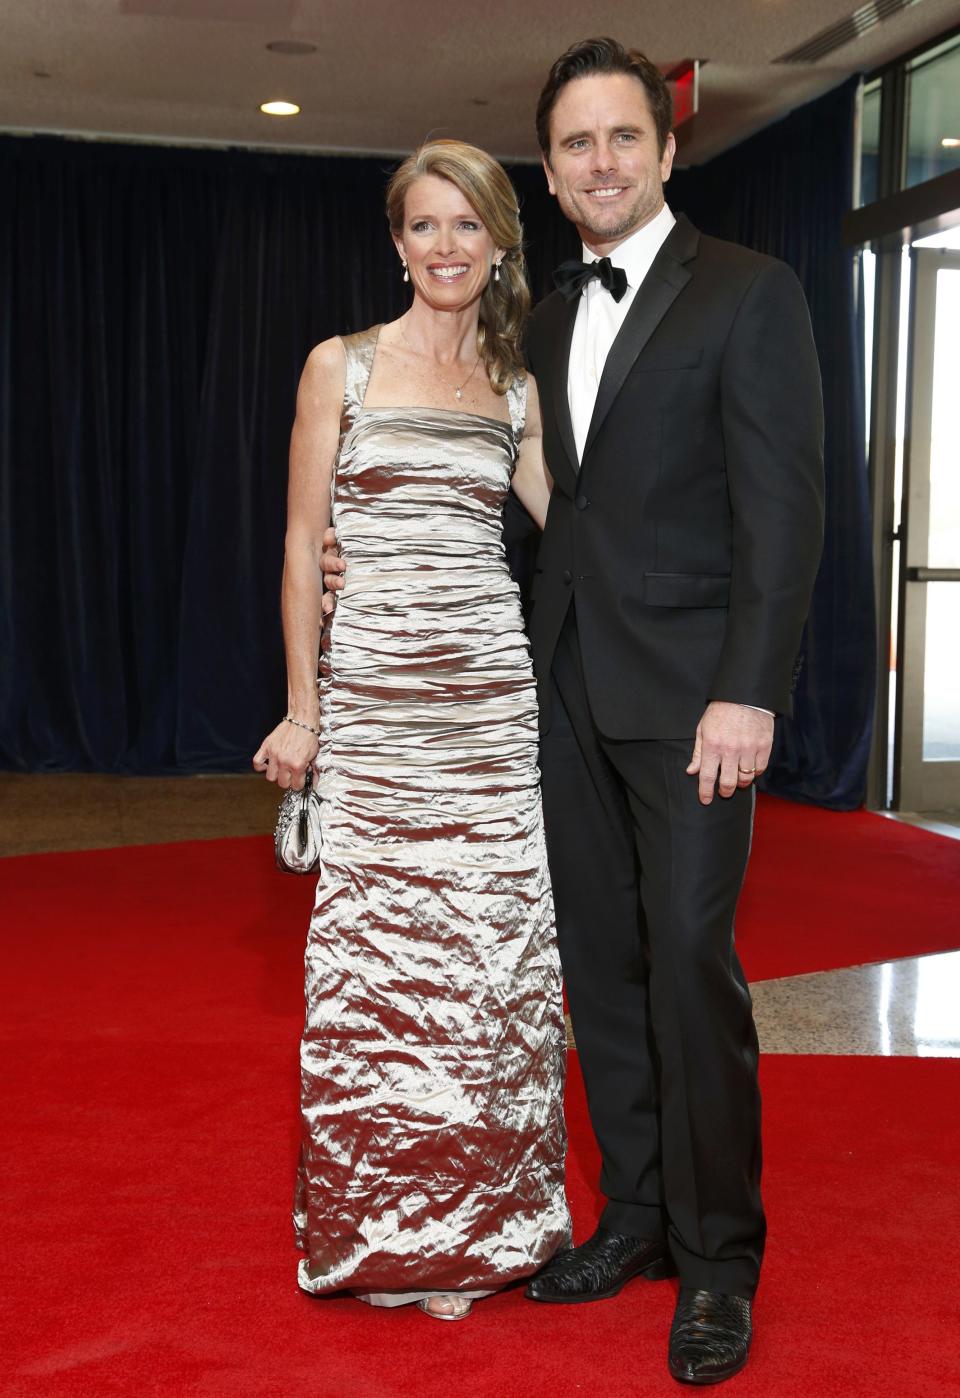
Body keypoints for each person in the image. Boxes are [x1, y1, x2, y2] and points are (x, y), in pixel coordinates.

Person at [323, 37, 824, 1383]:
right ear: (549, 172)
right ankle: (640, 1216)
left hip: (696, 712)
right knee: (599, 971)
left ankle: (720, 1262)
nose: (602, 161)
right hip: (559, 691)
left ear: (665, 150)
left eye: (624, 137)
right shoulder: (531, 321)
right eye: (577, 144)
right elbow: (537, 502)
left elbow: (787, 512)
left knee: (691, 963)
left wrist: (749, 692)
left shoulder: (751, 292)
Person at [253, 139, 571, 1321]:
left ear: (498, 243)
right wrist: (304, 710)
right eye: (423, 225)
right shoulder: (338, 366)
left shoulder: (520, 387)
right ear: (397, 241)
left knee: (490, 975)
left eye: (467, 225)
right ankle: (380, 1234)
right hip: (379, 709)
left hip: (488, 711)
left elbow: (572, 528)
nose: (445, 246)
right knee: (382, 978)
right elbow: (299, 545)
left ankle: (481, 1234)